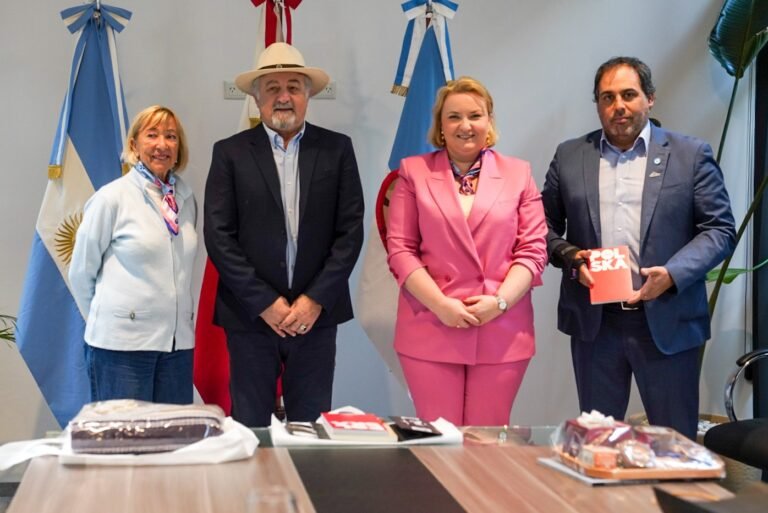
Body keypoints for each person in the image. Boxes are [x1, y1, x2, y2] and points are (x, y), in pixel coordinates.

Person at [541, 57, 736, 439]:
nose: (619, 105)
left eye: (629, 95)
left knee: (674, 446)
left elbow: (719, 229)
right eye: (607, 97)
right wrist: (570, 257)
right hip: (597, 325)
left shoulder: (690, 155)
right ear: (597, 104)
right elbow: (539, 227)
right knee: (600, 442)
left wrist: (673, 274)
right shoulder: (570, 156)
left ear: (650, 98)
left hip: (667, 320)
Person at [204, 42, 364, 427]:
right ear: (257, 98)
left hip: (315, 317)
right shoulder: (229, 153)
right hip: (250, 316)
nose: (283, 96)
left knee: (310, 427)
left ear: (308, 96)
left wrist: (313, 300)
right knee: (251, 427)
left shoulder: (337, 149)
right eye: (272, 88)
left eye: (293, 86)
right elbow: (219, 236)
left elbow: (350, 232)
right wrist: (265, 303)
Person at [386, 76, 548, 426]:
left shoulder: (519, 174)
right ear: (440, 126)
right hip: (431, 324)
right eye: (454, 116)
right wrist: (441, 305)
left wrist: (500, 302)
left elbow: (533, 251)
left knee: (486, 443)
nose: (465, 125)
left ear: (489, 122)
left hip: (501, 328)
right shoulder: (413, 172)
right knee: (439, 441)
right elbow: (400, 250)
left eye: (475, 115)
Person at [69, 105, 198, 404]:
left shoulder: (186, 198)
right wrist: (109, 322)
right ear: (134, 145)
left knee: (174, 433)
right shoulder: (111, 198)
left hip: (176, 347)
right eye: (152, 135)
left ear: (179, 148)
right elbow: (80, 273)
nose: (162, 144)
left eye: (171, 136)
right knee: (124, 434)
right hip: (121, 349)